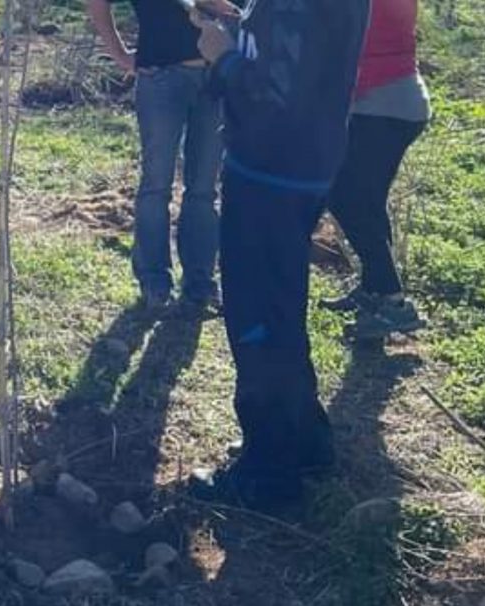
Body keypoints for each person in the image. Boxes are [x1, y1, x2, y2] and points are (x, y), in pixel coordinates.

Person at [189, 0, 366, 511]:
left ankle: (267, 474)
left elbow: (275, 94)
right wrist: (238, 27)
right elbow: (295, 62)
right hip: (301, 166)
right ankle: (305, 440)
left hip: (270, 172)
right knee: (281, 305)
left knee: (258, 315)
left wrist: (223, 58)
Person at [84, 0, 223, 314]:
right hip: (161, 77)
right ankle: (154, 281)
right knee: (156, 185)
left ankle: (200, 284)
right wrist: (120, 55)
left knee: (204, 188)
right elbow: (96, 4)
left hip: (215, 79)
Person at [322, 0, 428, 341]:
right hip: (393, 102)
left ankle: (394, 303)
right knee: (366, 200)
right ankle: (374, 291)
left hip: (384, 104)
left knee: (344, 198)